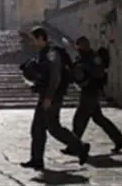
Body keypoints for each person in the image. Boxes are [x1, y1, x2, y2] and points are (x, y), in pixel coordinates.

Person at [20, 27, 90, 170]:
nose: (33, 43)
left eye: (34, 39)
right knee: (38, 128)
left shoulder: (52, 53)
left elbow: (55, 77)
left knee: (54, 128)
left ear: (41, 38)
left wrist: (49, 97)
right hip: (45, 95)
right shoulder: (44, 53)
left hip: (52, 96)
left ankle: (81, 148)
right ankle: (37, 160)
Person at [63, 36, 122, 154]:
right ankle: (119, 140)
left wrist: (84, 70)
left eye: (80, 45)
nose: (78, 48)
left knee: (79, 119)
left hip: (91, 91)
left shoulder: (93, 58)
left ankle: (73, 146)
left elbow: (98, 72)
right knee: (98, 118)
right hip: (88, 90)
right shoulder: (83, 57)